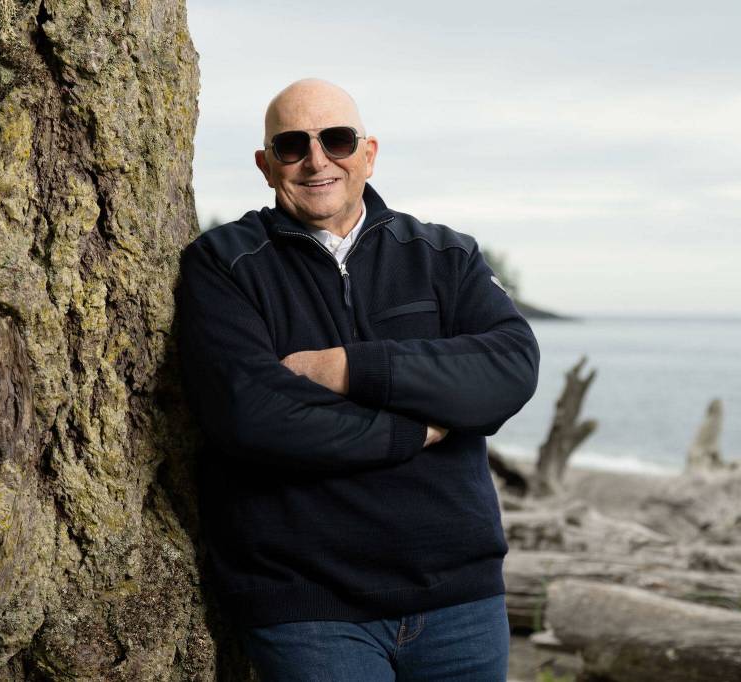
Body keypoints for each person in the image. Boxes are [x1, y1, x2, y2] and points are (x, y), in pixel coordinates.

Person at [175, 78, 540, 681]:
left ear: (368, 154)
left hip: (462, 603)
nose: (317, 160)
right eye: (292, 146)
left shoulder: (445, 255)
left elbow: (508, 370)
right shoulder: (225, 264)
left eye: (336, 140)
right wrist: (412, 430)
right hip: (309, 611)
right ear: (267, 166)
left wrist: (346, 368)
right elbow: (251, 414)